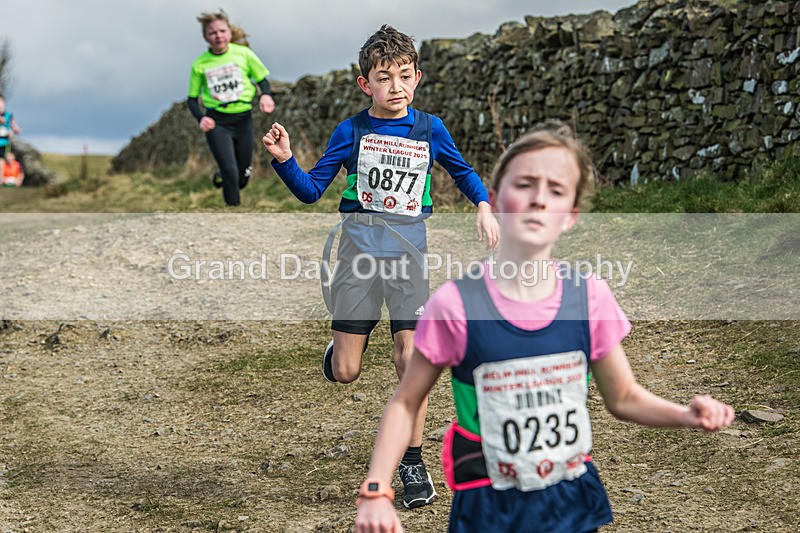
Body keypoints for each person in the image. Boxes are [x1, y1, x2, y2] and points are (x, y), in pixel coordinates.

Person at [353, 124, 735, 532]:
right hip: (488, 506)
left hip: (570, 502)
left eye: (555, 190)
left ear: (570, 216)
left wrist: (684, 415)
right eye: (525, 184)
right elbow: (406, 402)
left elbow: (622, 397)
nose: (538, 199)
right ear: (497, 201)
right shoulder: (456, 305)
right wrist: (376, 491)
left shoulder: (589, 298)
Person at [262, 25, 499, 510]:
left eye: (405, 76)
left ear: (417, 78)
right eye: (384, 77)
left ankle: (412, 461)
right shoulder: (350, 131)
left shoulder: (430, 128)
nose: (396, 86)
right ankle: (336, 353)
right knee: (348, 371)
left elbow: (463, 171)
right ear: (364, 83)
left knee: (411, 359)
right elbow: (311, 190)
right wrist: (287, 160)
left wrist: (483, 204)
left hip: (409, 258)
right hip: (356, 258)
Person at [187, 9, 275, 206]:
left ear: (229, 32)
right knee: (230, 170)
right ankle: (233, 212)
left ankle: (223, 176)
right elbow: (192, 99)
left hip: (243, 119)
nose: (218, 36)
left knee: (241, 176)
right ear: (205, 37)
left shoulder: (244, 54)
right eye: (212, 32)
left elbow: (262, 80)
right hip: (217, 121)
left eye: (221, 31)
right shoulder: (199, 64)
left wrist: (266, 95)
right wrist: (201, 118)